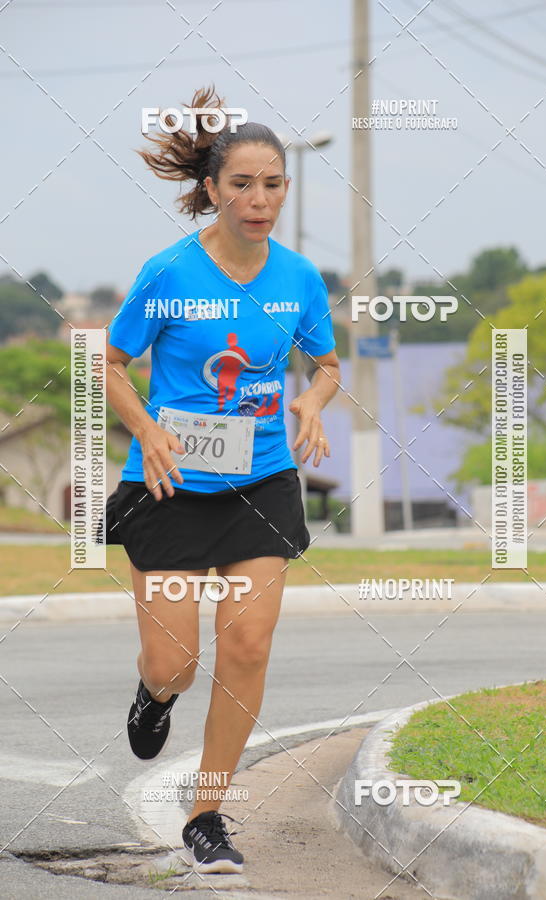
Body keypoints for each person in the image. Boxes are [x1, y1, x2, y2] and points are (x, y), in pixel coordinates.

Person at [102, 84, 341, 876]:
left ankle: (207, 814)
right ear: (210, 187)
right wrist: (145, 427)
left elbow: (329, 363)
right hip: (170, 484)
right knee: (176, 662)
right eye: (242, 183)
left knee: (246, 642)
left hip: (261, 480)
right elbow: (106, 364)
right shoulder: (169, 272)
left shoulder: (300, 277)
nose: (259, 199)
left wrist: (309, 399)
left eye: (274, 184)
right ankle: (155, 693)